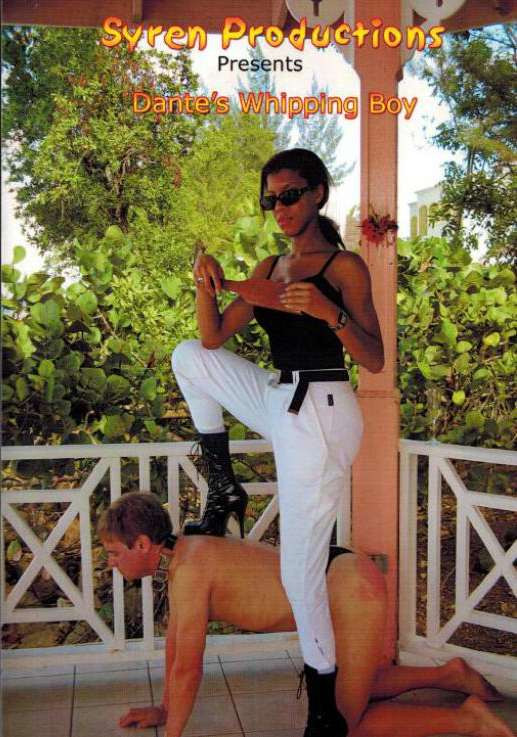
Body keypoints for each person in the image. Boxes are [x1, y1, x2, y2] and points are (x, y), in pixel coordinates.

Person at [171, 148, 384, 716]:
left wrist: (329, 314)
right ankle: (224, 487)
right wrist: (206, 282)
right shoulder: (269, 269)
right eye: (271, 200)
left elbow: (375, 358)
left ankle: (323, 710)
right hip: (280, 398)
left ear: (318, 193)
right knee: (188, 355)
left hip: (323, 409)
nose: (280, 208)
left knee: (298, 570)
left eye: (289, 195)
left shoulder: (343, 267)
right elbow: (213, 338)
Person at [98, 492, 513, 737]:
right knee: (353, 685)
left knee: (342, 726)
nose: (111, 563)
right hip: (339, 572)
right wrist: (164, 710)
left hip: (348, 587)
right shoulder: (186, 554)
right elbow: (176, 649)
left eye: (114, 553)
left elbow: (189, 668)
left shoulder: (189, 570)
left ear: (143, 544)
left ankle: (468, 720)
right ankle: (449, 675)